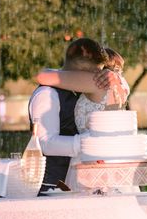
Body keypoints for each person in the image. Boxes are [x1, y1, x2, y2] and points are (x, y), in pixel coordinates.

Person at [28, 38, 124, 193]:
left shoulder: (83, 91)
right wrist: (90, 143)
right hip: (51, 185)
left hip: (80, 178)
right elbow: (44, 143)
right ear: (80, 72)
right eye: (94, 72)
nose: (97, 77)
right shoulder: (47, 93)